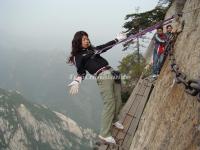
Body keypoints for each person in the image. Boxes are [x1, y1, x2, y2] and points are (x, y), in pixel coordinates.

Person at [67, 31, 126, 144]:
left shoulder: (93, 50)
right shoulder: (78, 56)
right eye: (84, 39)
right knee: (109, 103)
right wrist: (77, 80)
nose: (87, 40)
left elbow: (105, 46)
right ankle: (104, 134)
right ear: (78, 42)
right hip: (103, 76)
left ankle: (114, 120)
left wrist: (117, 39)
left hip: (113, 72)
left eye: (87, 38)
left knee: (118, 100)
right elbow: (81, 71)